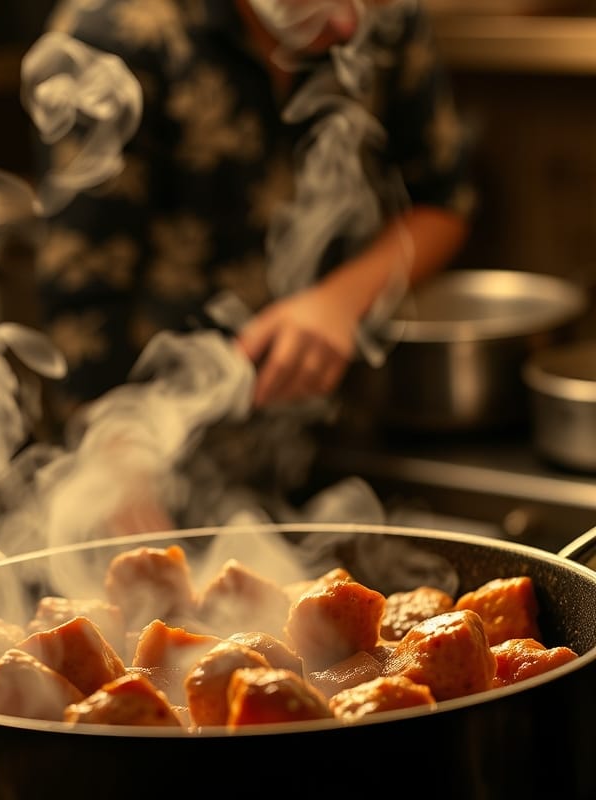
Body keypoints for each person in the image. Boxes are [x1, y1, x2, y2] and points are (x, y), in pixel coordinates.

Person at [26, 0, 476, 532]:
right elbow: (81, 289)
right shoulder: (113, 32)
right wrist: (120, 459)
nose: (351, 24)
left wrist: (339, 299)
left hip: (335, 440)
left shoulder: (390, 17)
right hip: (157, 453)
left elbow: (443, 202)